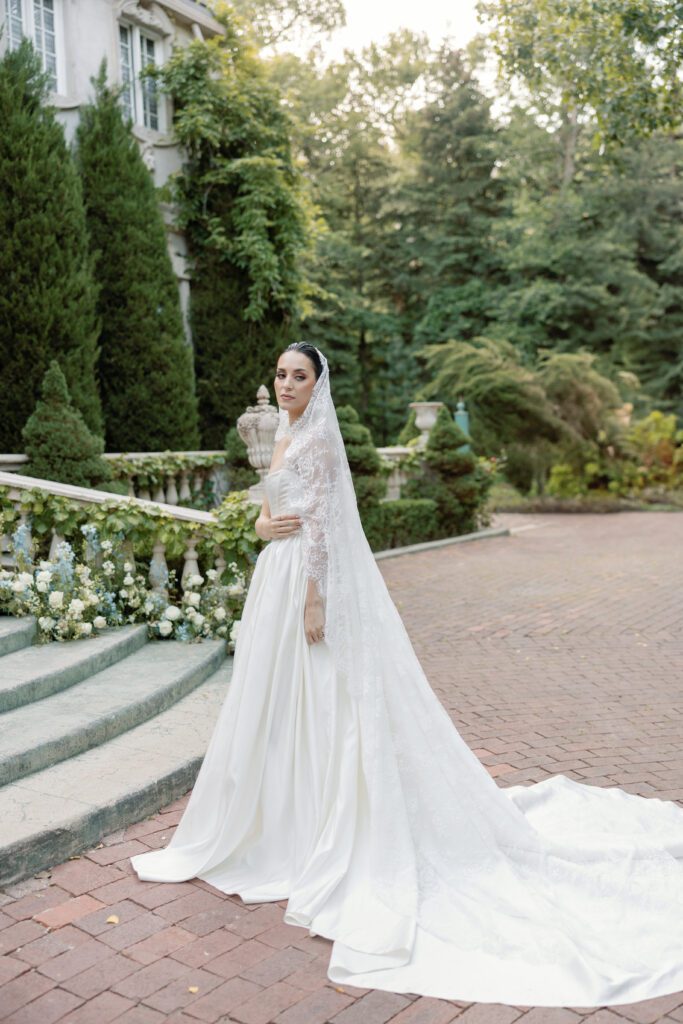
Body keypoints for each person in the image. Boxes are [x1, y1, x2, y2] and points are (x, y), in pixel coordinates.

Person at [132, 343, 683, 1008]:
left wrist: (315, 597)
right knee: (275, 706)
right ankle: (276, 821)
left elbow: (328, 527)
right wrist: (260, 524)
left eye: (297, 376)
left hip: (306, 585)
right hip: (272, 577)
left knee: (325, 703)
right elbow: (264, 513)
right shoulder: (283, 433)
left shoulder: (322, 445)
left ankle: (323, 824)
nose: (284, 384)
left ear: (317, 384)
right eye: (278, 374)